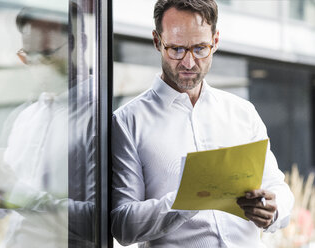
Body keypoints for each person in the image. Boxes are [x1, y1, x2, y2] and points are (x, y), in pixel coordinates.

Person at [111, 0, 294, 247]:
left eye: (200, 48)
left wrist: (274, 209)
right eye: (176, 49)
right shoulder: (127, 121)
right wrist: (190, 198)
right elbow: (123, 225)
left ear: (215, 41)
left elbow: (277, 187)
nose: (188, 63)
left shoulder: (242, 112)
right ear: (157, 41)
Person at [0, 3, 97, 248]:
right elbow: (9, 206)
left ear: (78, 44)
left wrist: (14, 190)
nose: (38, 66)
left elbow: (94, 222)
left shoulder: (101, 117)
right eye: (28, 56)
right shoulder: (23, 118)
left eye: (47, 53)